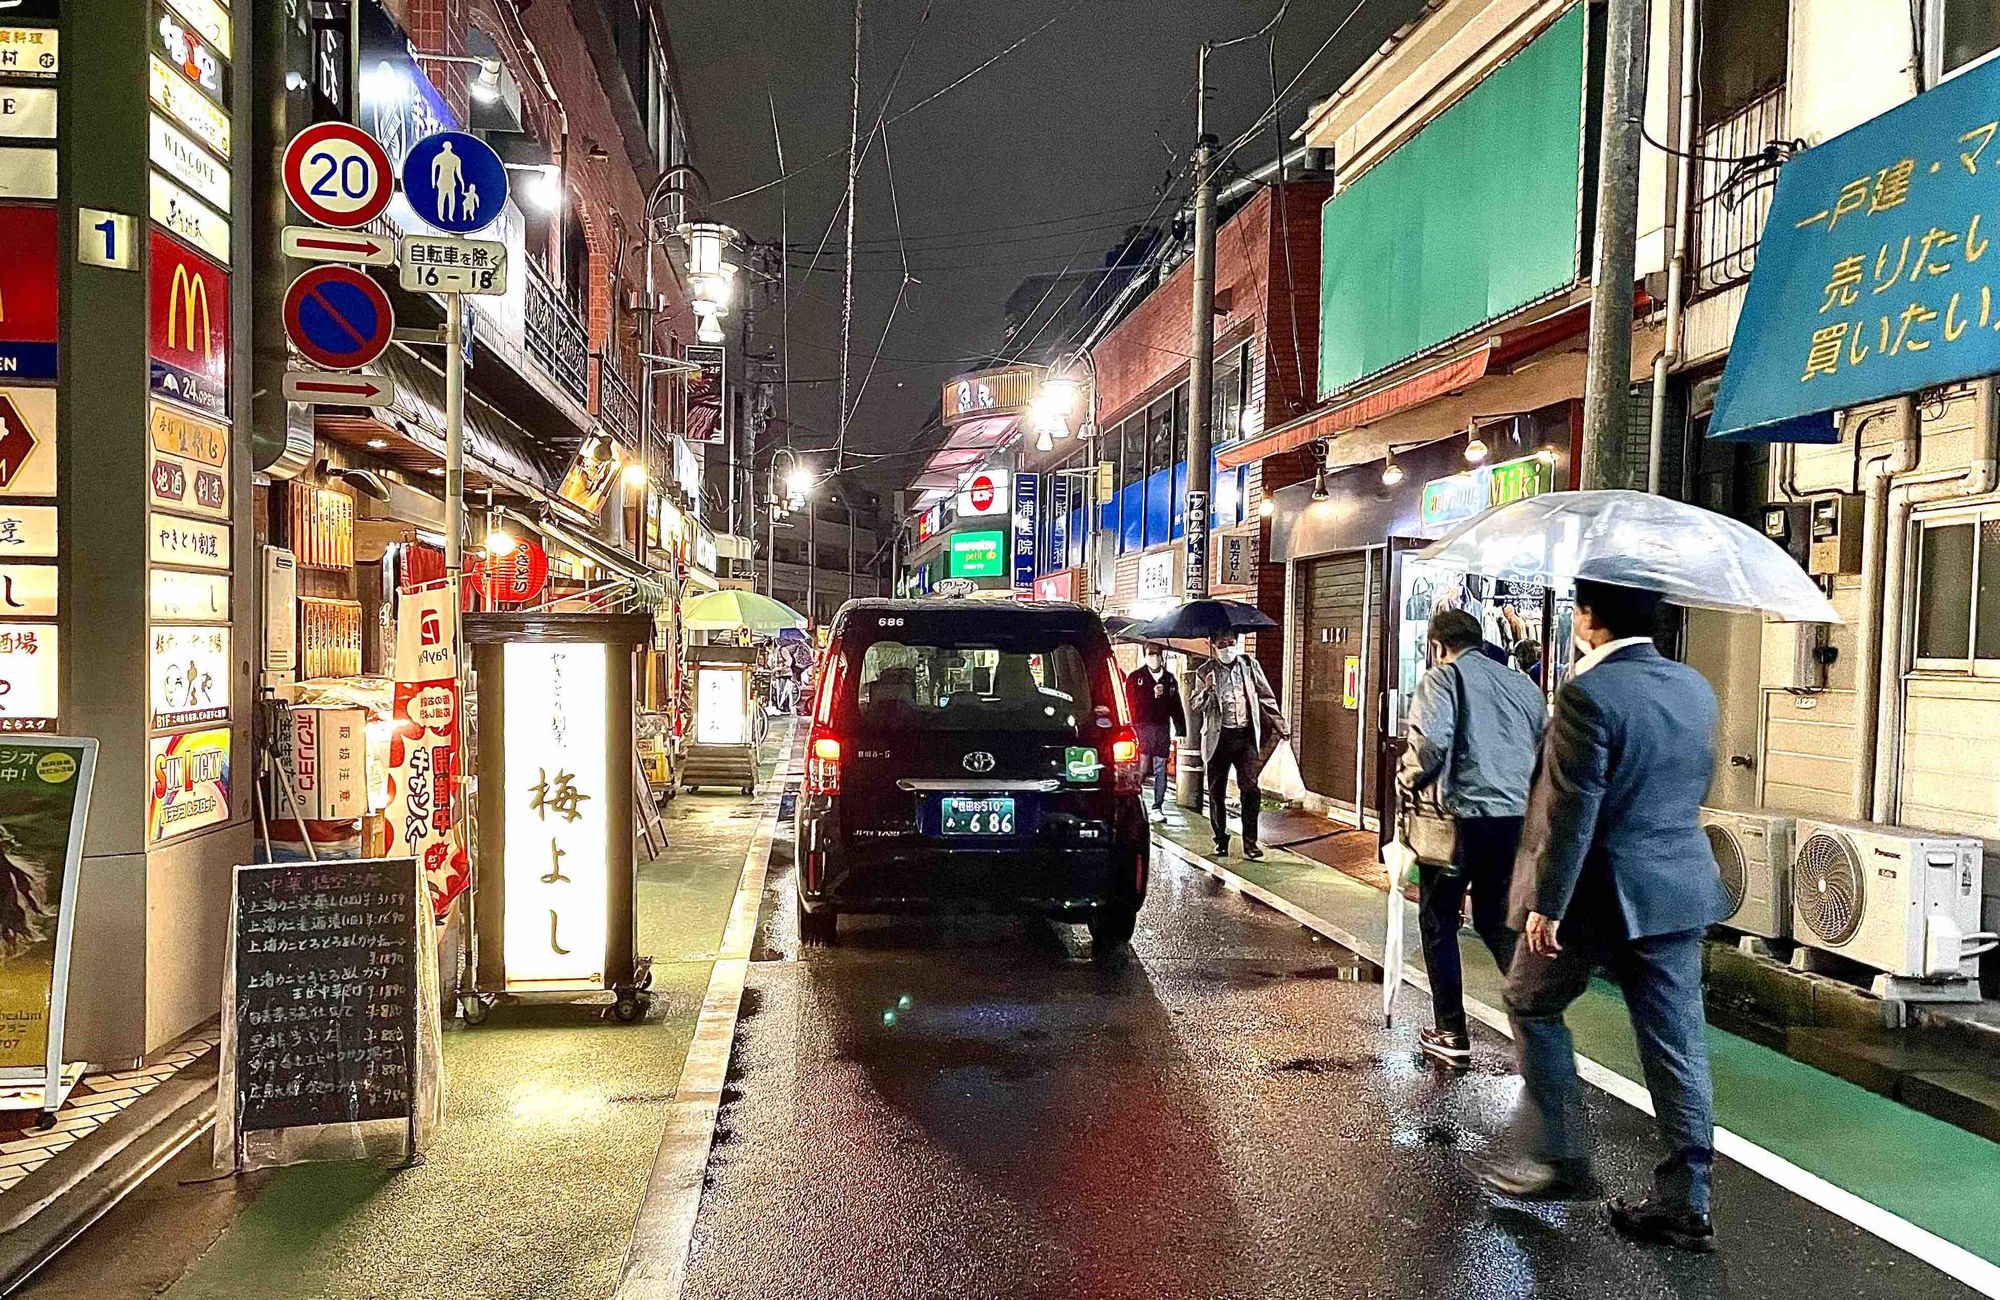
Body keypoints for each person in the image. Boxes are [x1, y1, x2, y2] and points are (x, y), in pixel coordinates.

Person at [1465, 578, 1729, 1254]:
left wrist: (1545, 905)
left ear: (1588, 617)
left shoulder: (1588, 694)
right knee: (1677, 1041)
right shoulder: (1693, 687)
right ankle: (1686, 1199)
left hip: (1592, 895)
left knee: (1528, 999)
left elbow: (1571, 809)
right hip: (1675, 887)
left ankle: (1562, 1155)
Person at [1396, 608, 1546, 1069]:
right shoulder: (1523, 685)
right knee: (1496, 921)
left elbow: (1431, 746)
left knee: (1439, 918)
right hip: (1514, 821)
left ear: (1438, 646)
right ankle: (1536, 1024)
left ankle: (1451, 1031)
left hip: (1460, 822)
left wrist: (1407, 779)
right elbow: (1544, 746)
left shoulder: (1441, 681)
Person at [1187, 630, 1285, 860]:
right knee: (1216, 792)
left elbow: (1265, 696)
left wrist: (1280, 724)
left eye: (1231, 642)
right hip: (1218, 740)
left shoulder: (1250, 665)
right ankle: (1220, 839)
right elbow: (1195, 704)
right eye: (1222, 643)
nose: (1227, 647)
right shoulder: (1205, 671)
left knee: (1250, 789)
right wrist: (1207, 689)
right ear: (1213, 644)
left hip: (1245, 736)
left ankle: (1250, 843)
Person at [1126, 646, 1185, 820]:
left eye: (1157, 654)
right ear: (1145, 655)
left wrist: (1180, 730)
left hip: (1161, 728)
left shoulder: (1169, 679)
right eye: (1150, 654)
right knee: (1142, 766)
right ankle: (1135, 802)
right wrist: (1150, 695)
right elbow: (1130, 703)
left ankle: (1157, 807)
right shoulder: (1136, 677)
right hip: (1141, 727)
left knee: (1161, 768)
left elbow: (1176, 706)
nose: (1154, 657)